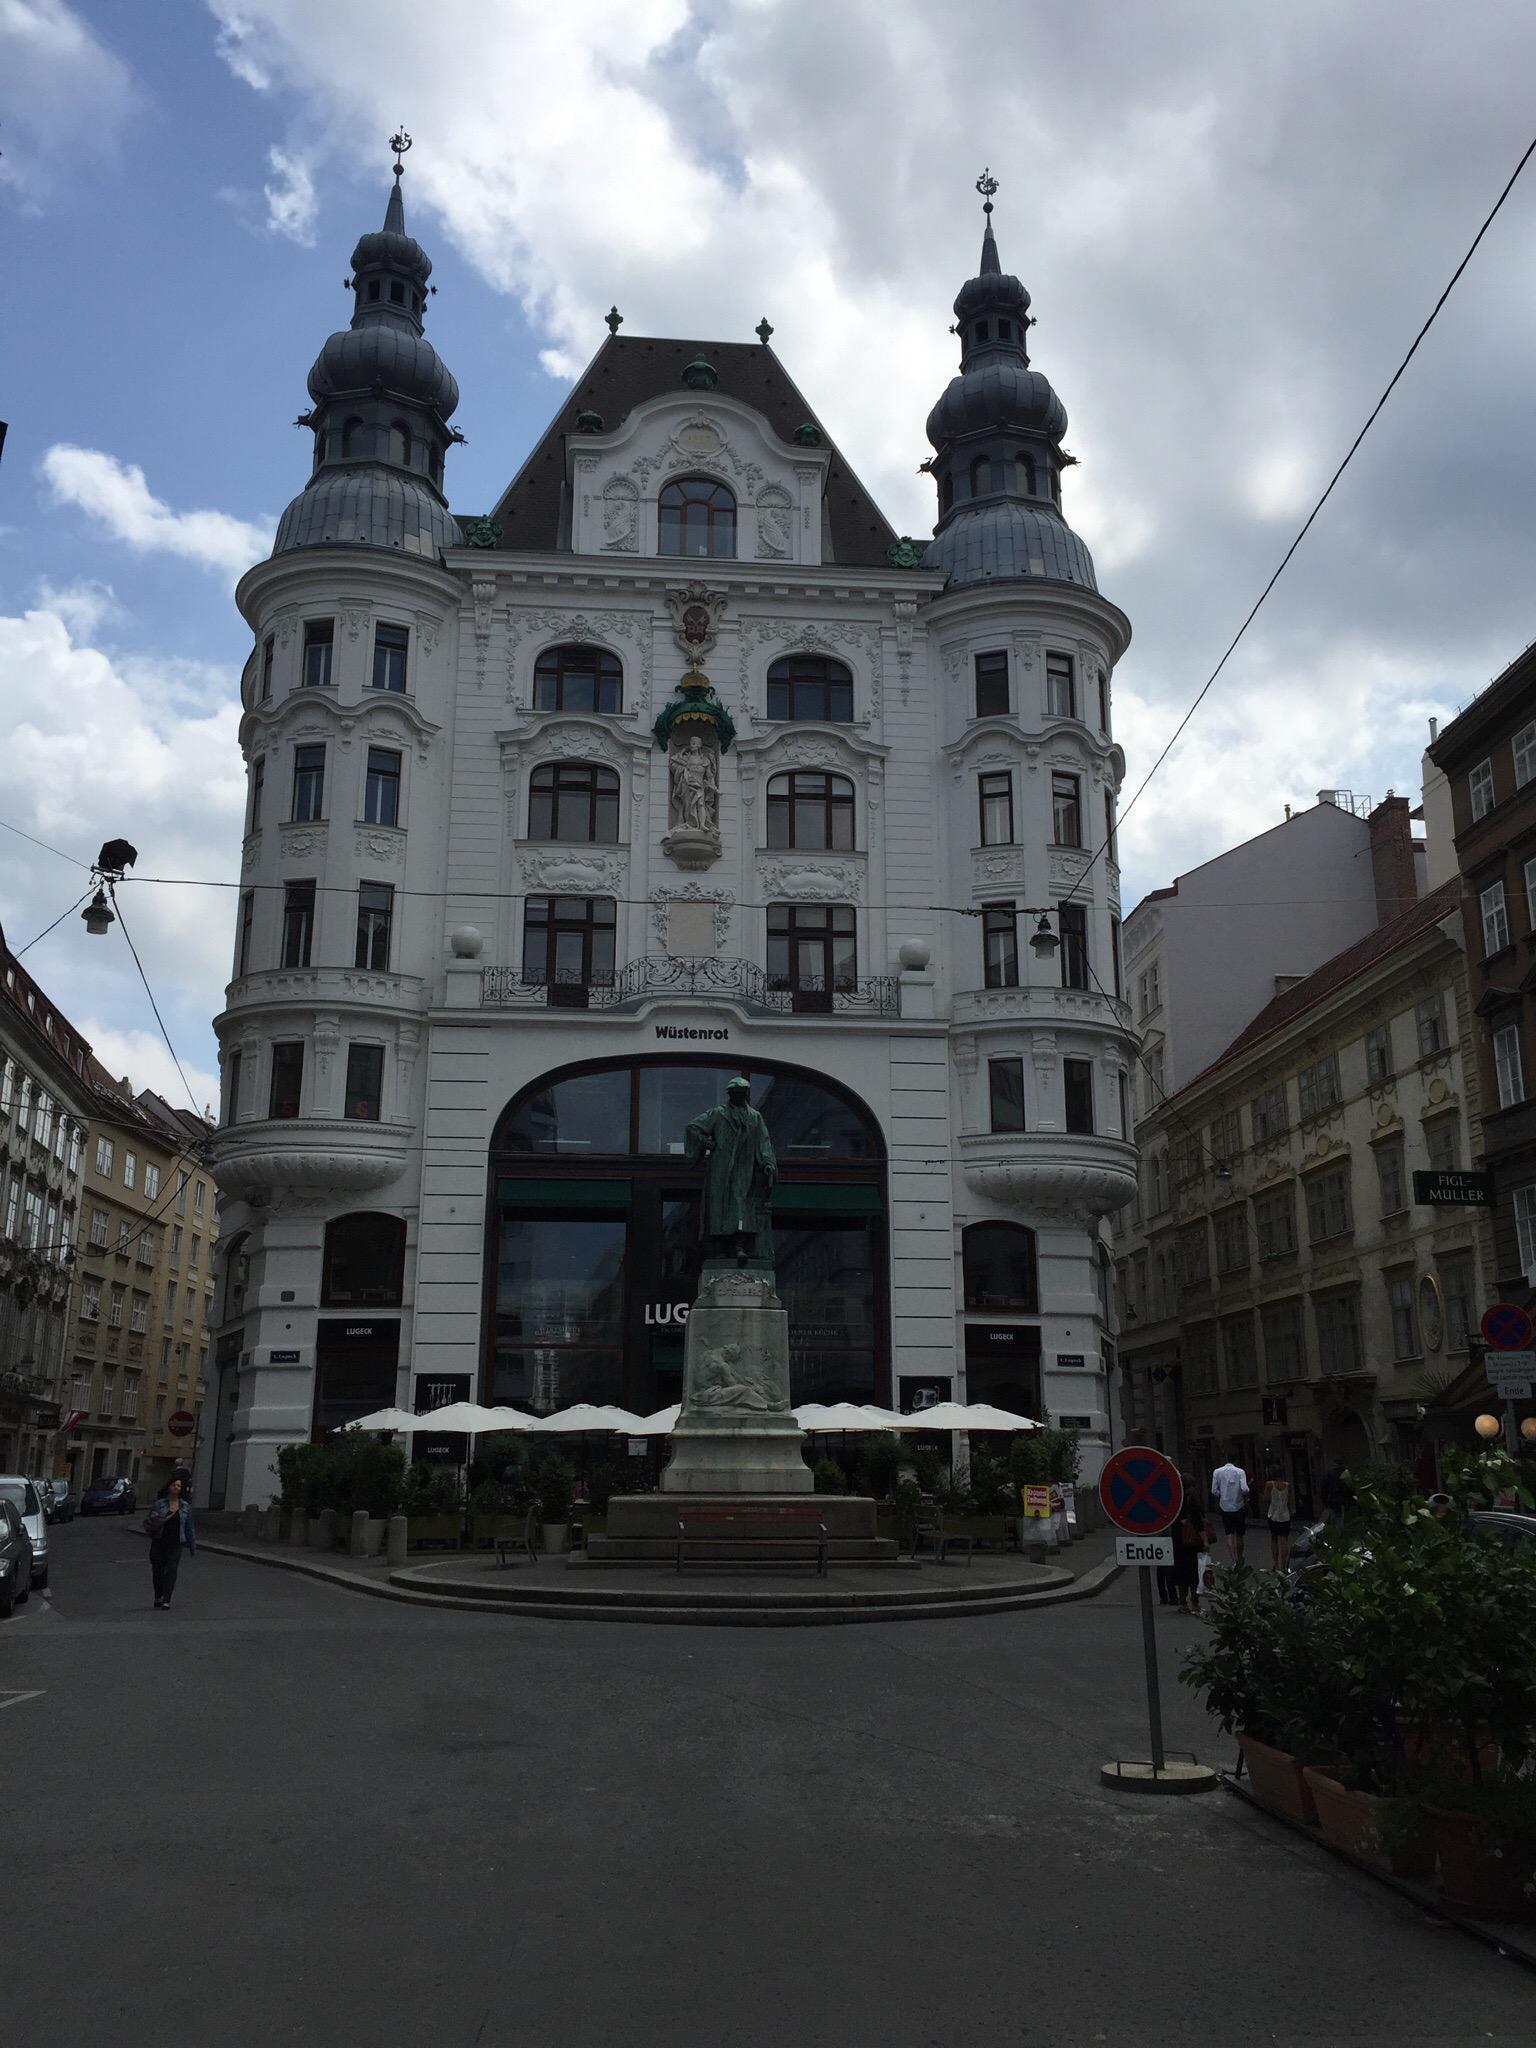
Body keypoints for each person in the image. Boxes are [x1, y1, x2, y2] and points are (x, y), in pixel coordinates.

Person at [147, 1472, 196, 1609]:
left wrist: (192, 1545)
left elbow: (189, 1528)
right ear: (169, 1487)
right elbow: (150, 1521)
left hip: (176, 1543)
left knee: (172, 1570)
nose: (176, 1487)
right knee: (158, 1570)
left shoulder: (185, 1507)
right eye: (174, 1485)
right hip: (159, 1541)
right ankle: (158, 1595)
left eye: (179, 1486)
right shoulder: (159, 1504)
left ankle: (166, 1599)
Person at [1170, 1480, 1209, 1615]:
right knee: (1195, 1574)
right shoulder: (1193, 1501)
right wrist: (1205, 1542)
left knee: (1181, 1574)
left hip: (1179, 1543)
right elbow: (1199, 1524)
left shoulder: (1174, 1502)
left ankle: (1182, 1603)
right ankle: (1195, 1603)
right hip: (1194, 1544)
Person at [1210, 1448, 1250, 1568]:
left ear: (1226, 1458)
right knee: (1239, 1534)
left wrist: (1222, 1495)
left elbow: (1213, 1490)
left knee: (1229, 1533)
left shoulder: (1217, 1472)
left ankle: (1233, 1560)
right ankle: (1240, 1558)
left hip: (1225, 1506)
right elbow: (1245, 1489)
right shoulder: (1240, 1472)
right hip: (1238, 1506)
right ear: (1236, 1460)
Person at [1262, 1466, 1293, 1571]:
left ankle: (1276, 1563)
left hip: (1273, 1515)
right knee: (1284, 1540)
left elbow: (1266, 1499)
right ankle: (1283, 1565)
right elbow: (1289, 1499)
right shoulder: (1287, 1485)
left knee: (1274, 1539)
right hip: (1285, 1515)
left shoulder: (1269, 1485)